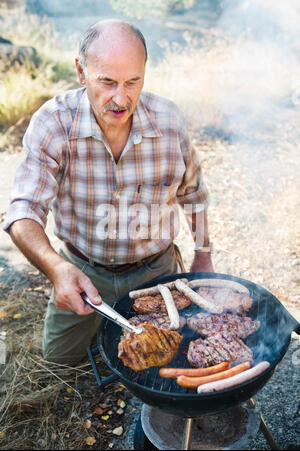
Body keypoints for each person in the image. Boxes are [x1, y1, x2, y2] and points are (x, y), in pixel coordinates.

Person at [3, 19, 213, 366]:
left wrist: (203, 254)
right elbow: (22, 212)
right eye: (107, 82)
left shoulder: (169, 121)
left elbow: (194, 194)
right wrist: (57, 269)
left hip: (155, 275)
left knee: (170, 361)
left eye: (134, 82)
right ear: (80, 72)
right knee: (58, 364)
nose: (121, 98)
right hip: (83, 271)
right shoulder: (54, 123)